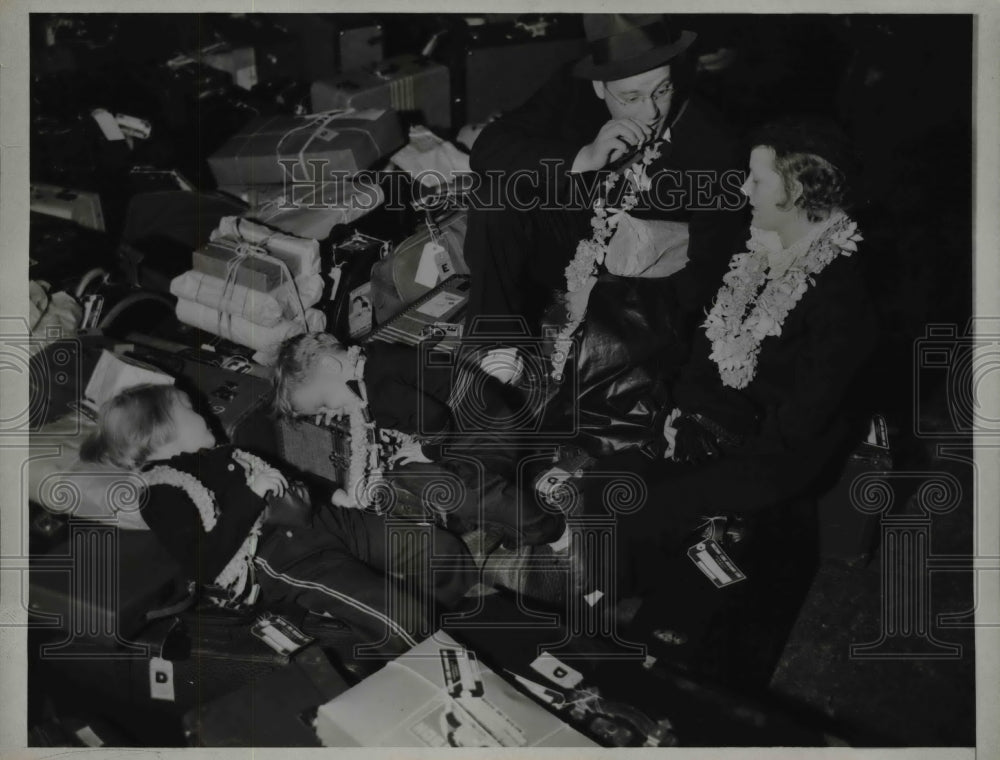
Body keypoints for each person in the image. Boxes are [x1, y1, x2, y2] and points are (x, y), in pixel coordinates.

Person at [587, 116, 879, 598]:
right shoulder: (759, 245)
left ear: (800, 190)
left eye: (758, 180)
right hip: (716, 418)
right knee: (603, 487)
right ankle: (604, 590)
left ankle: (624, 614)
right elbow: (709, 342)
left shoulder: (845, 293)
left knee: (644, 511)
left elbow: (801, 423)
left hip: (776, 451)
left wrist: (708, 460)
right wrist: (678, 417)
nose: (743, 189)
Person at [461, 13, 748, 457]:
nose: (651, 111)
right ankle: (498, 345)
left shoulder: (715, 143)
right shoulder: (575, 90)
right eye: (630, 97)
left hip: (642, 291)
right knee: (496, 197)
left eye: (663, 90)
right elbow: (489, 149)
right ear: (600, 88)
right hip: (574, 245)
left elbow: (711, 272)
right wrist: (581, 157)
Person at [80, 383, 477, 656]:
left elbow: (288, 480)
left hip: (325, 520)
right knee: (401, 618)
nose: (202, 412)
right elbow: (203, 562)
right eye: (189, 410)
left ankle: (438, 617)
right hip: (283, 556)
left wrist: (330, 494)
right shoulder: (161, 491)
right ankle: (429, 661)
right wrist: (253, 497)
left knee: (441, 550)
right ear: (161, 433)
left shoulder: (223, 454)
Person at [271, 332, 567, 549]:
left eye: (324, 403)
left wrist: (427, 450)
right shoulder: (369, 360)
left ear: (330, 367)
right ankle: (500, 518)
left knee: (468, 491)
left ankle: (548, 527)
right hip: (484, 414)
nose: (330, 412)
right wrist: (336, 405)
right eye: (323, 411)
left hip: (487, 427)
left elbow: (434, 418)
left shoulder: (379, 388)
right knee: (421, 473)